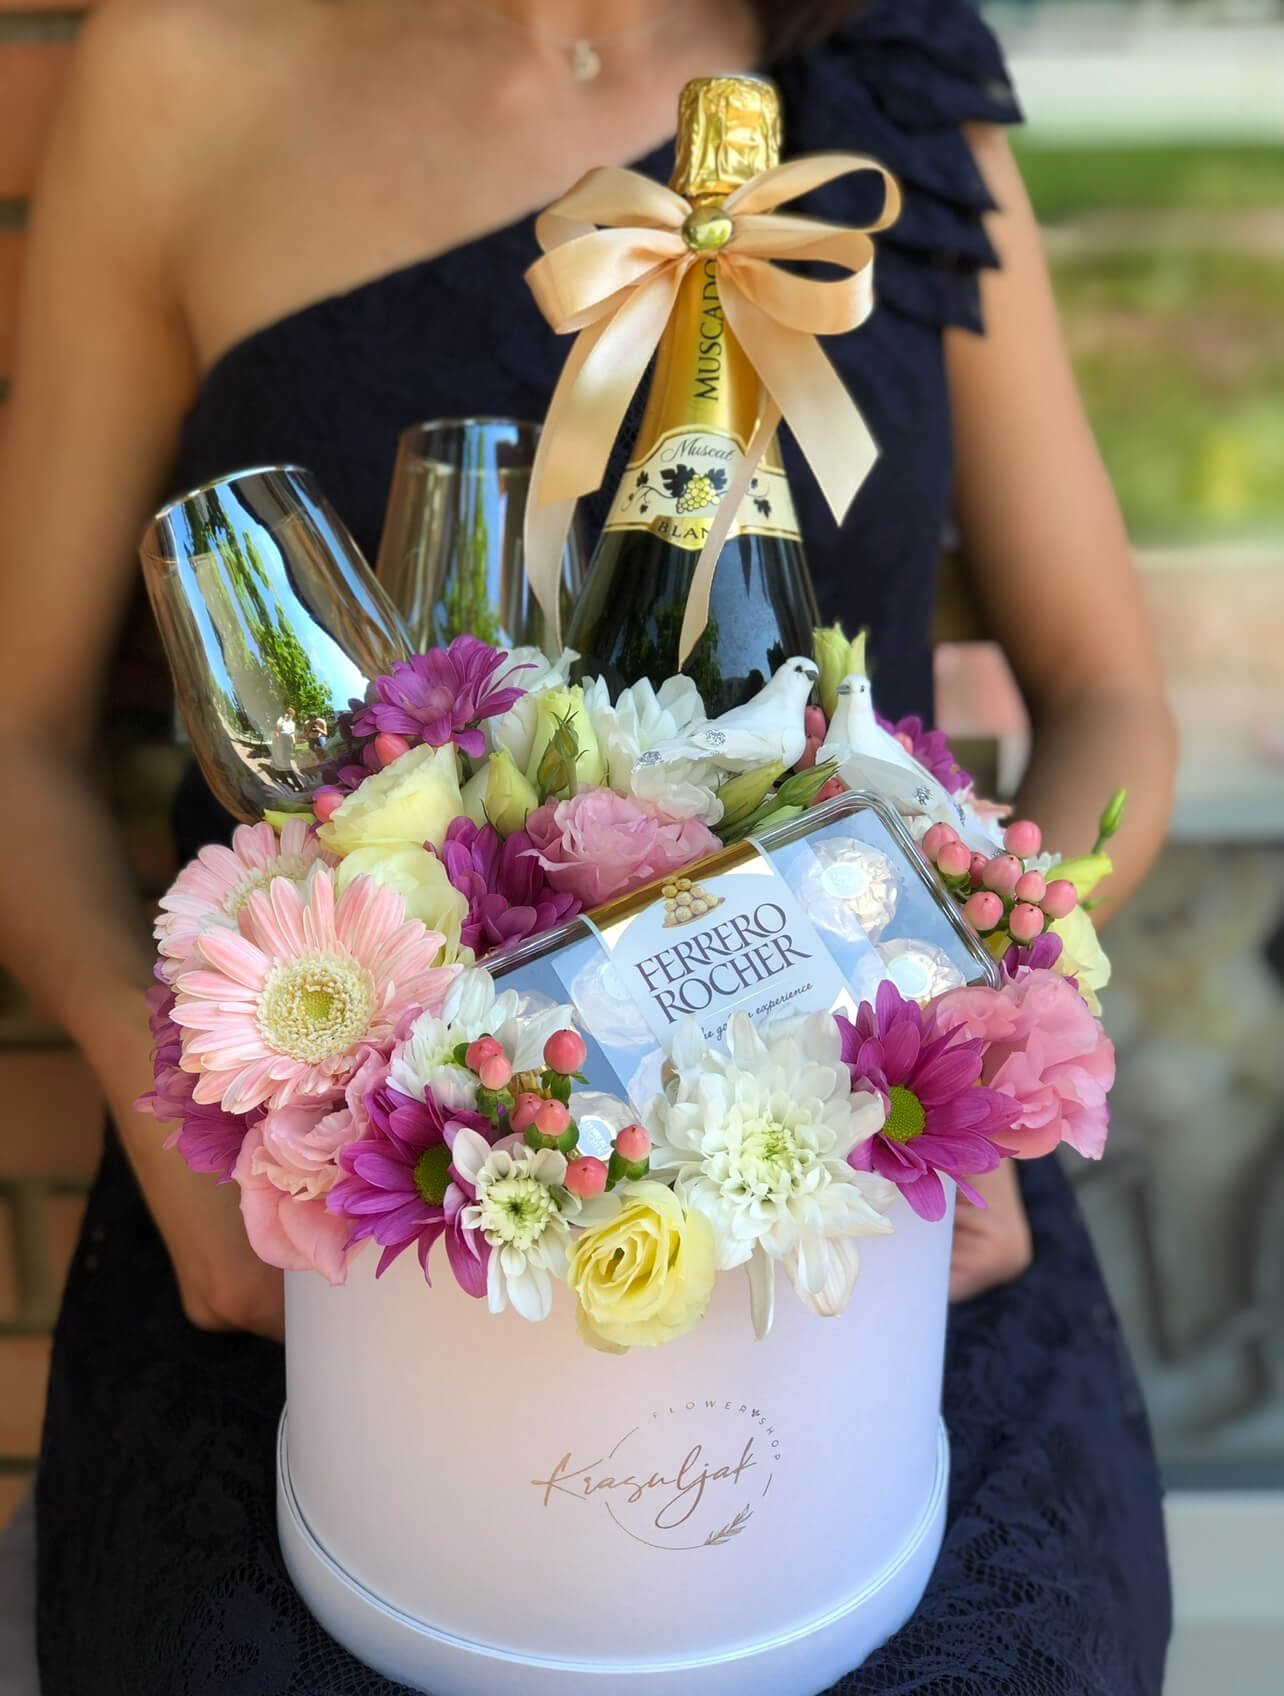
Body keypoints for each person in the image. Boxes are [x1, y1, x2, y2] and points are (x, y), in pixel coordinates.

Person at [0, 1, 1177, 1691]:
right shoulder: (189, 60)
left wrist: (982, 1017)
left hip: (868, 1153)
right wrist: (174, 1129)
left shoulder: (886, 84)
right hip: (308, 1183)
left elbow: (1113, 694)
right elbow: (19, 739)